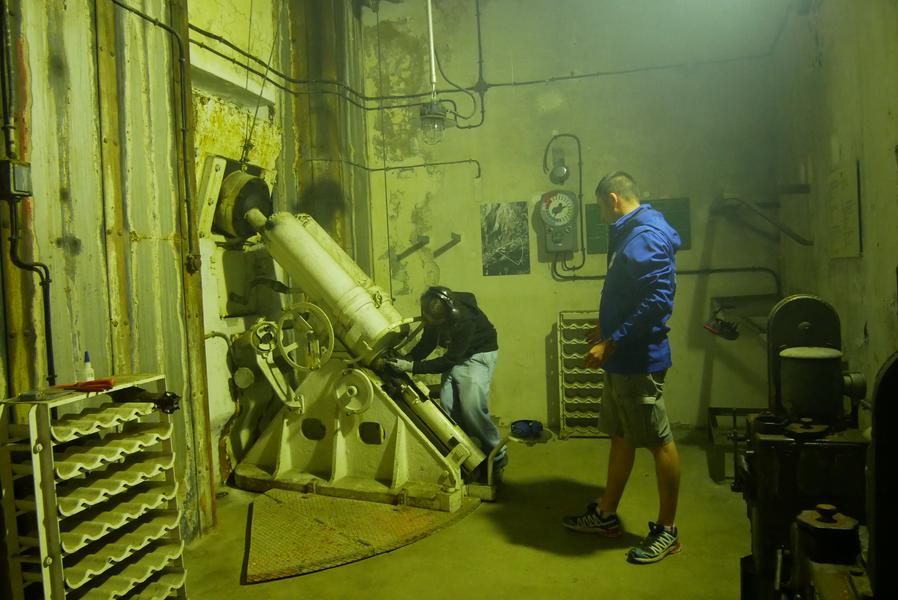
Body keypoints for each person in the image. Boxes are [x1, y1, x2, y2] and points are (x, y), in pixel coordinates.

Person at [562, 171, 683, 564]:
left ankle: (667, 530)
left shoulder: (645, 235)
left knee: (658, 441)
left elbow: (656, 304)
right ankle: (606, 514)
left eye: (599, 207)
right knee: (621, 434)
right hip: (621, 356)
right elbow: (628, 290)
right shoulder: (631, 230)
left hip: (636, 358)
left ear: (613, 199)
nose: (600, 215)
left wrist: (612, 341)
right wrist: (605, 326)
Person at [384, 286, 505, 481]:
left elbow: (449, 360)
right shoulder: (436, 309)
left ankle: (497, 457)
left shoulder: (464, 319)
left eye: (432, 321)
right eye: (426, 317)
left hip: (478, 355)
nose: (428, 322)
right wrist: (406, 360)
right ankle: (467, 459)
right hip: (458, 355)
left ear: (447, 317)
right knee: (448, 408)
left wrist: (411, 367)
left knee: (471, 408)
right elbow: (427, 344)